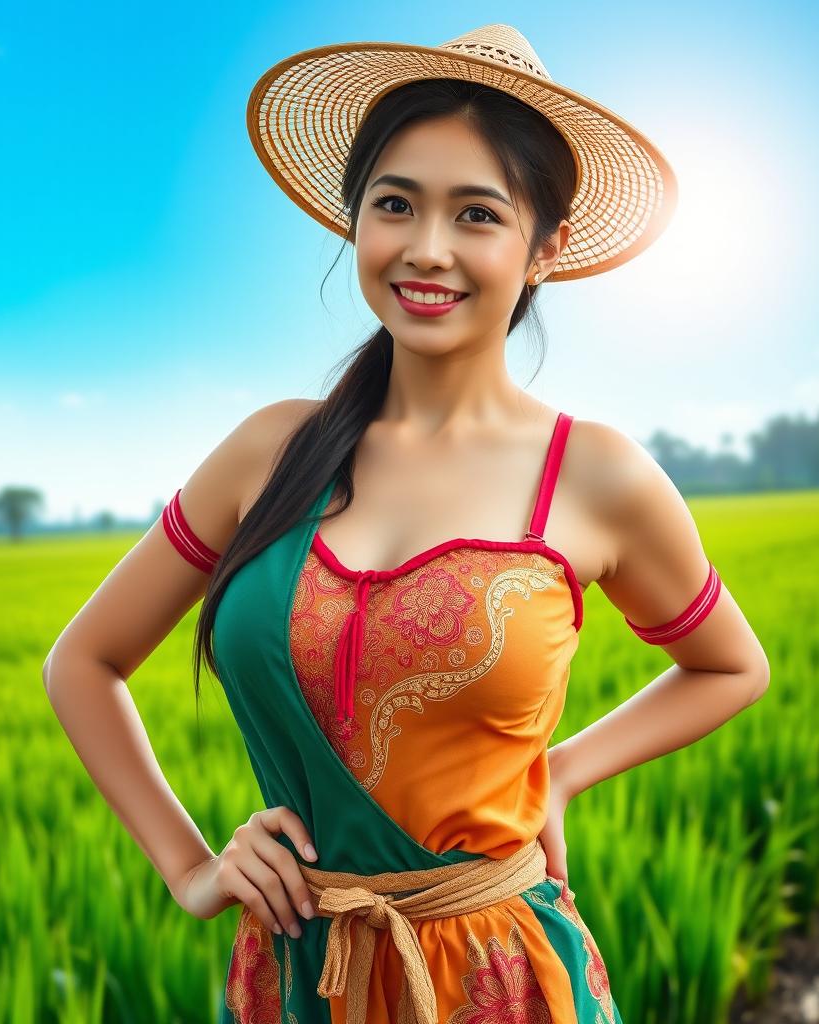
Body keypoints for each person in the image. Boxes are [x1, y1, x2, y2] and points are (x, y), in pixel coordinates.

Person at [43, 23, 770, 1023]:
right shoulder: (270, 452)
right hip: (295, 972)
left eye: (476, 214)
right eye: (395, 205)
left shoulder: (596, 476)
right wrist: (192, 865)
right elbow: (83, 661)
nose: (426, 249)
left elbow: (732, 664)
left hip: (498, 977)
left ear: (544, 249)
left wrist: (561, 771)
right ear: (356, 225)